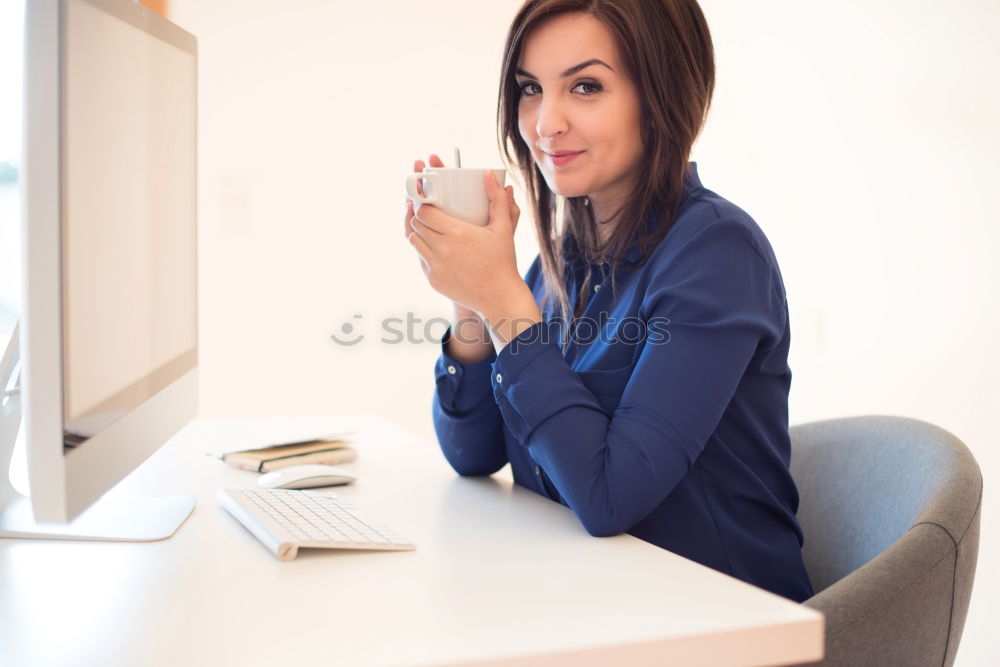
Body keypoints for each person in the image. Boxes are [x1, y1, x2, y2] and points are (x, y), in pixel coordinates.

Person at [404, 0, 813, 602]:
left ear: (663, 95)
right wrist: (471, 305)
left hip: (721, 618)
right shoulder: (561, 259)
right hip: (591, 600)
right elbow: (473, 452)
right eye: (530, 89)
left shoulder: (717, 251)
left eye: (586, 86)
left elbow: (607, 498)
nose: (545, 122)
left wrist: (501, 300)